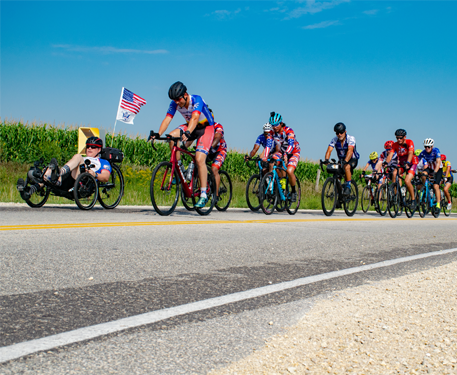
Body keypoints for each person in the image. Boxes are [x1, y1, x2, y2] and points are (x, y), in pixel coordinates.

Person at [150, 81, 215, 208]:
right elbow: (168, 119)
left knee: (199, 158)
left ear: (185, 95)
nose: (176, 102)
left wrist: (189, 132)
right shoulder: (175, 103)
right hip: (191, 126)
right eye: (174, 100)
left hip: (206, 128)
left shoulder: (197, 99)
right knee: (171, 137)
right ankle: (179, 170)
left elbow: (195, 118)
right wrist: (158, 133)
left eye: (178, 99)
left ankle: (203, 194)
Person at [16, 136, 111, 199]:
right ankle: (28, 191)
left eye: (93, 147)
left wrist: (94, 174)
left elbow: (105, 177)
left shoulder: (103, 162)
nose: (89, 148)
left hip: (83, 181)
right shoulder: (84, 157)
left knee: (78, 157)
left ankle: (57, 174)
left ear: (99, 149)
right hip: (68, 178)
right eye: (88, 146)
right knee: (48, 172)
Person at [269, 112, 300, 202]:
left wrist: (286, 154)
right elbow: (268, 146)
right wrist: (265, 156)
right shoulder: (272, 133)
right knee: (272, 162)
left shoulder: (288, 131)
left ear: (281, 123)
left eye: (276, 125)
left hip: (293, 152)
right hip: (282, 152)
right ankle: (278, 186)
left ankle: (293, 192)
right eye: (272, 125)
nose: (274, 127)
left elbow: (290, 145)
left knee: (289, 171)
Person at [324, 122, 360, 195]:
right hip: (342, 160)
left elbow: (350, 151)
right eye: (337, 133)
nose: (339, 134)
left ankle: (348, 186)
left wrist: (346, 161)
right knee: (337, 173)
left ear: (345, 132)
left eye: (341, 132)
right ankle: (338, 195)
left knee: (346, 167)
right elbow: (329, 150)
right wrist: (326, 160)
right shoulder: (334, 139)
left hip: (352, 159)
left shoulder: (351, 138)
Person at [385, 129, 416, 208]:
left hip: (411, 163)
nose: (398, 139)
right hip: (402, 164)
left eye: (400, 138)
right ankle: (396, 196)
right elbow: (390, 155)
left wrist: (408, 163)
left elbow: (410, 153)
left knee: (407, 181)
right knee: (394, 173)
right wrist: (386, 163)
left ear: (404, 137)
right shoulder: (395, 145)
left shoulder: (409, 142)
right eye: (397, 138)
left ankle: (413, 200)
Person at [418, 138, 442, 210]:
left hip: (438, 169)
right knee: (423, 174)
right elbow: (416, 160)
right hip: (429, 168)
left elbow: (438, 163)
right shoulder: (423, 153)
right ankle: (423, 188)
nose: (427, 148)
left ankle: (438, 203)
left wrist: (435, 172)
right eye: (425, 146)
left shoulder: (436, 151)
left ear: (432, 146)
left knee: (435, 186)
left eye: (429, 146)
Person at [208, 121, 227, 202]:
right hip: (209, 151)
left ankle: (216, 195)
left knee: (214, 169)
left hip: (220, 151)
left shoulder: (218, 126)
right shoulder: (202, 127)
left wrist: (209, 148)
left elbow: (217, 138)